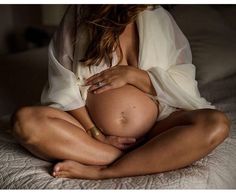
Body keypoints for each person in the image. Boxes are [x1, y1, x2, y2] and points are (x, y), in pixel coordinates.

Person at [10, 5, 231, 180]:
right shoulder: (79, 15)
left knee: (216, 124)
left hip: (157, 128)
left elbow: (184, 82)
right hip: (90, 132)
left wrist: (135, 76)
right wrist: (96, 133)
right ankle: (136, 158)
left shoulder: (158, 17)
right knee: (24, 122)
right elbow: (63, 85)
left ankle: (105, 171)